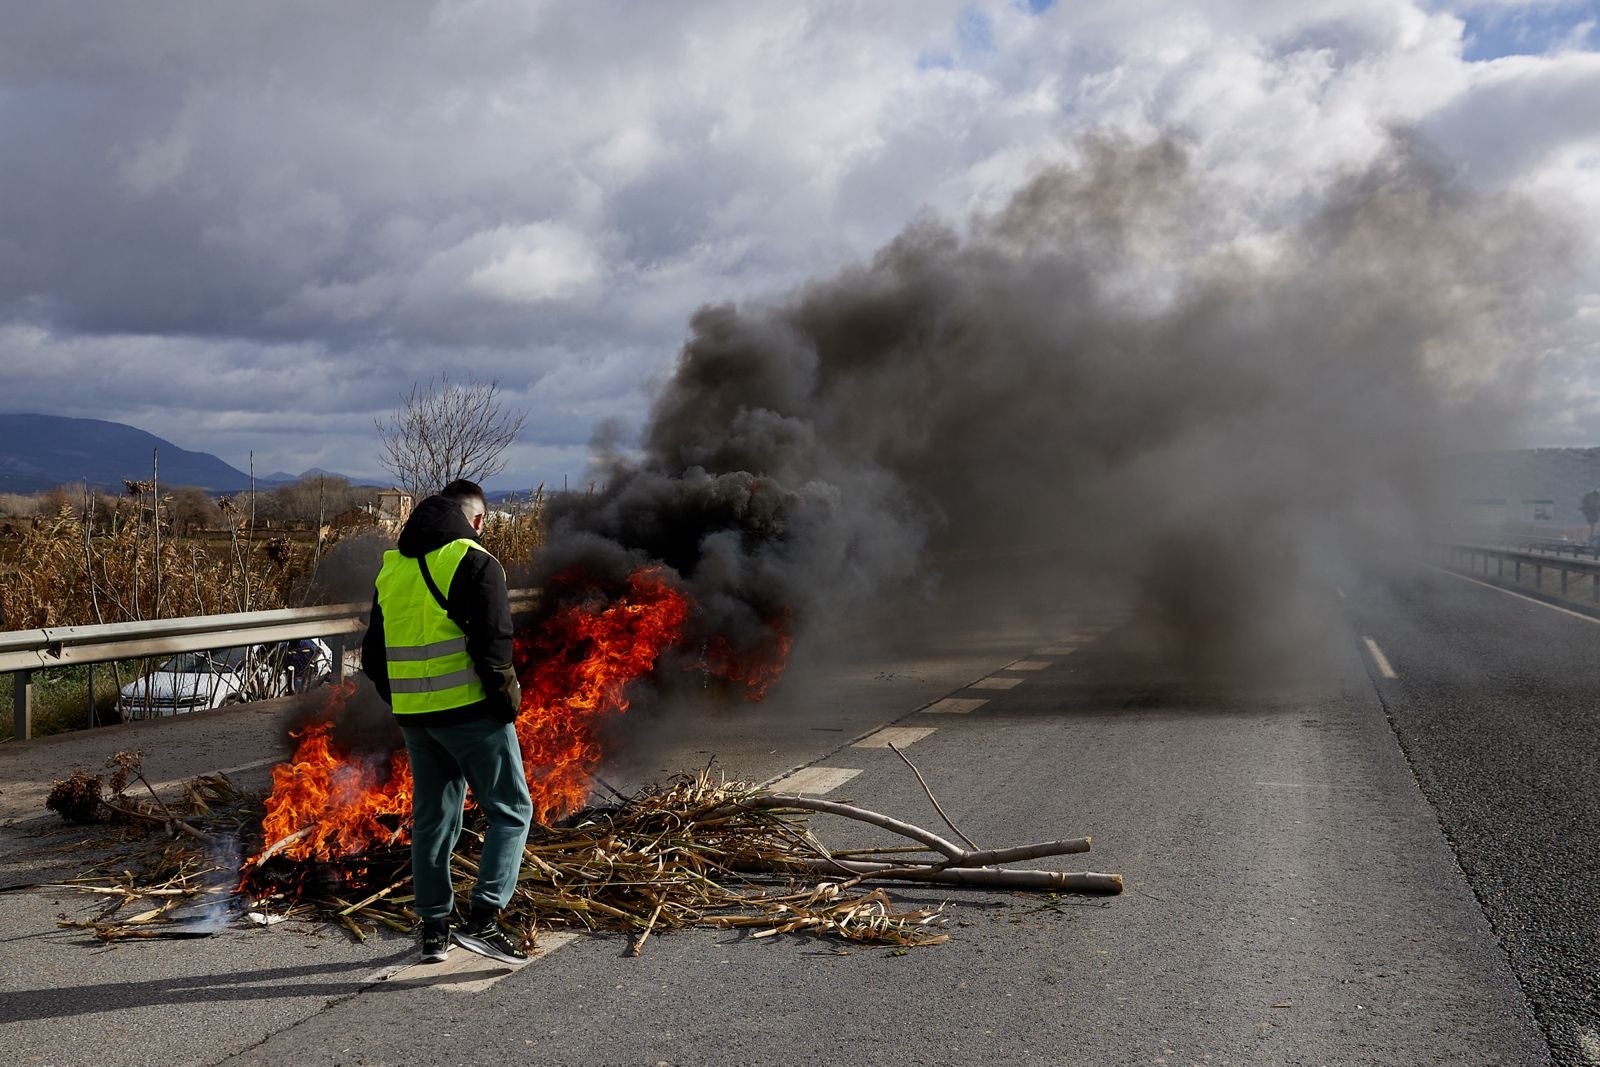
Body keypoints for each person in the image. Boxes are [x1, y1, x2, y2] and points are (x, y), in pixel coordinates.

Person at [361, 479, 532, 965]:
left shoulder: (392, 569)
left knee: (434, 819)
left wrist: (405, 701)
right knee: (511, 810)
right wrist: (505, 705)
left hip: (416, 719)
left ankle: (434, 931)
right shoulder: (475, 561)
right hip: (471, 713)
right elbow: (495, 645)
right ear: (477, 521)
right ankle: (484, 921)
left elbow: (373, 655)